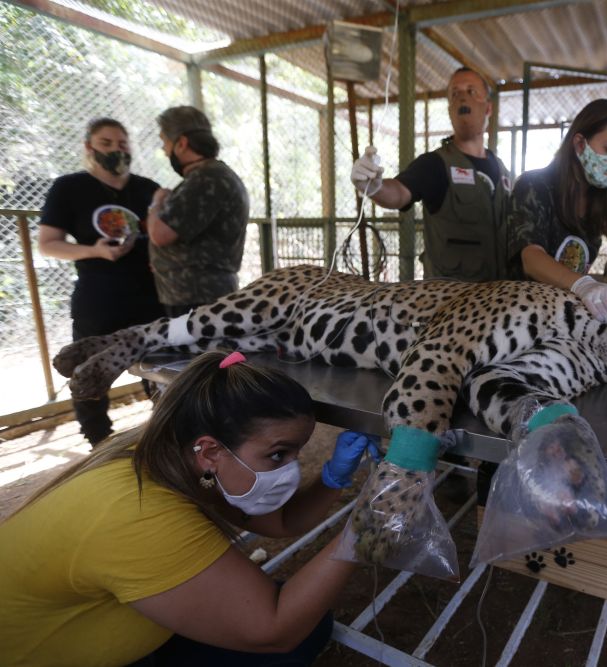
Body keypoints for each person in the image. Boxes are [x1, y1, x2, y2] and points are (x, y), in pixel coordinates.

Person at [0, 351, 380, 666]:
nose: (292, 470)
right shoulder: (140, 513)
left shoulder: (177, 455)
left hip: (102, 632)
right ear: (210, 450)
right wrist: (368, 525)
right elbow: (275, 632)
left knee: (307, 622)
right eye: (279, 454)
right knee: (288, 638)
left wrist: (334, 477)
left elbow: (281, 522)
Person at [38, 117, 165, 446]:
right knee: (89, 371)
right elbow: (48, 243)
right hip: (99, 296)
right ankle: (98, 442)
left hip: (149, 296)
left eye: (122, 144)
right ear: (89, 147)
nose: (115, 150)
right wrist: (94, 251)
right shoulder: (69, 187)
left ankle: (167, 435)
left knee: (159, 369)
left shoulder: (148, 188)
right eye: (106, 143)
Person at [350, 68, 512, 281]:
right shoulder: (435, 164)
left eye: (471, 91)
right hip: (450, 297)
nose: (462, 97)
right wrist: (374, 187)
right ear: (450, 109)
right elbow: (399, 193)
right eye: (455, 93)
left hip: (501, 294)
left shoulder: (503, 171)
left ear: (488, 108)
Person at [507, 99, 607, 324]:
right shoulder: (534, 186)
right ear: (579, 144)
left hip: (561, 319)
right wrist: (582, 284)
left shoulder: (597, 205)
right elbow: (531, 258)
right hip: (517, 315)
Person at [147, 106, 250, 317]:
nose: (164, 150)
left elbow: (160, 234)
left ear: (182, 143)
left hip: (195, 298)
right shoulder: (210, 175)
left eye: (165, 142)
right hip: (197, 296)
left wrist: (157, 203)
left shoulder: (205, 178)